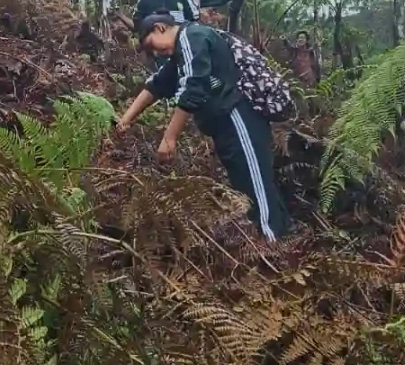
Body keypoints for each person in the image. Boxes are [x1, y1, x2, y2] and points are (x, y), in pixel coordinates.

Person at [116, 13, 290, 241]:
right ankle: (281, 240)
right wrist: (124, 121)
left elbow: (193, 88)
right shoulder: (181, 54)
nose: (156, 53)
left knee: (254, 183)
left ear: (160, 28)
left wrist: (170, 137)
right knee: (246, 182)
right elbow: (156, 85)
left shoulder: (192, 37)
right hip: (225, 125)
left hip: (238, 117)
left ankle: (271, 242)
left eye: (152, 45)